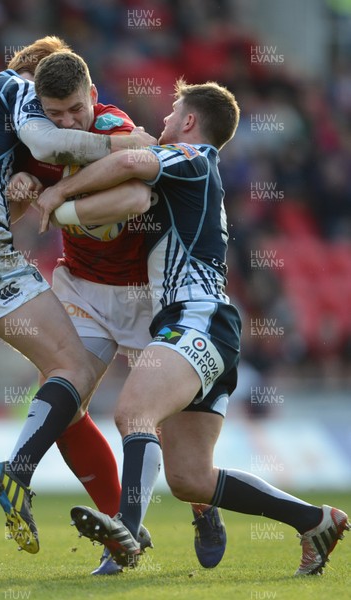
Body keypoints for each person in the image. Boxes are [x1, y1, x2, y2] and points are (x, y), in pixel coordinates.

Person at [37, 79, 350, 576]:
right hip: (207, 328)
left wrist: (55, 193)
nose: (160, 123)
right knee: (189, 478)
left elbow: (130, 163)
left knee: (134, 412)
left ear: (188, 121)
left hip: (195, 318)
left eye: (170, 113)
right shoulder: (191, 174)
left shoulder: (194, 155)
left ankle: (124, 536)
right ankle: (315, 520)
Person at [0, 36, 155, 574]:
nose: (56, 114)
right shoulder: (19, 88)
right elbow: (46, 143)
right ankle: (17, 471)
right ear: (38, 81)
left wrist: (18, 195)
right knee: (71, 365)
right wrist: (121, 148)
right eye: (49, 102)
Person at [8, 50, 228, 574]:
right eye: (53, 113)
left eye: (73, 110)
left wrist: (55, 200)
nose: (63, 123)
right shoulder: (32, 136)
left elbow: (133, 194)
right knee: (64, 403)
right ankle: (118, 530)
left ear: (92, 96)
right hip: (81, 285)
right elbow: (19, 197)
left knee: (158, 424)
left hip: (139, 295)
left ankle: (203, 503)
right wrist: (22, 187)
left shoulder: (115, 128)